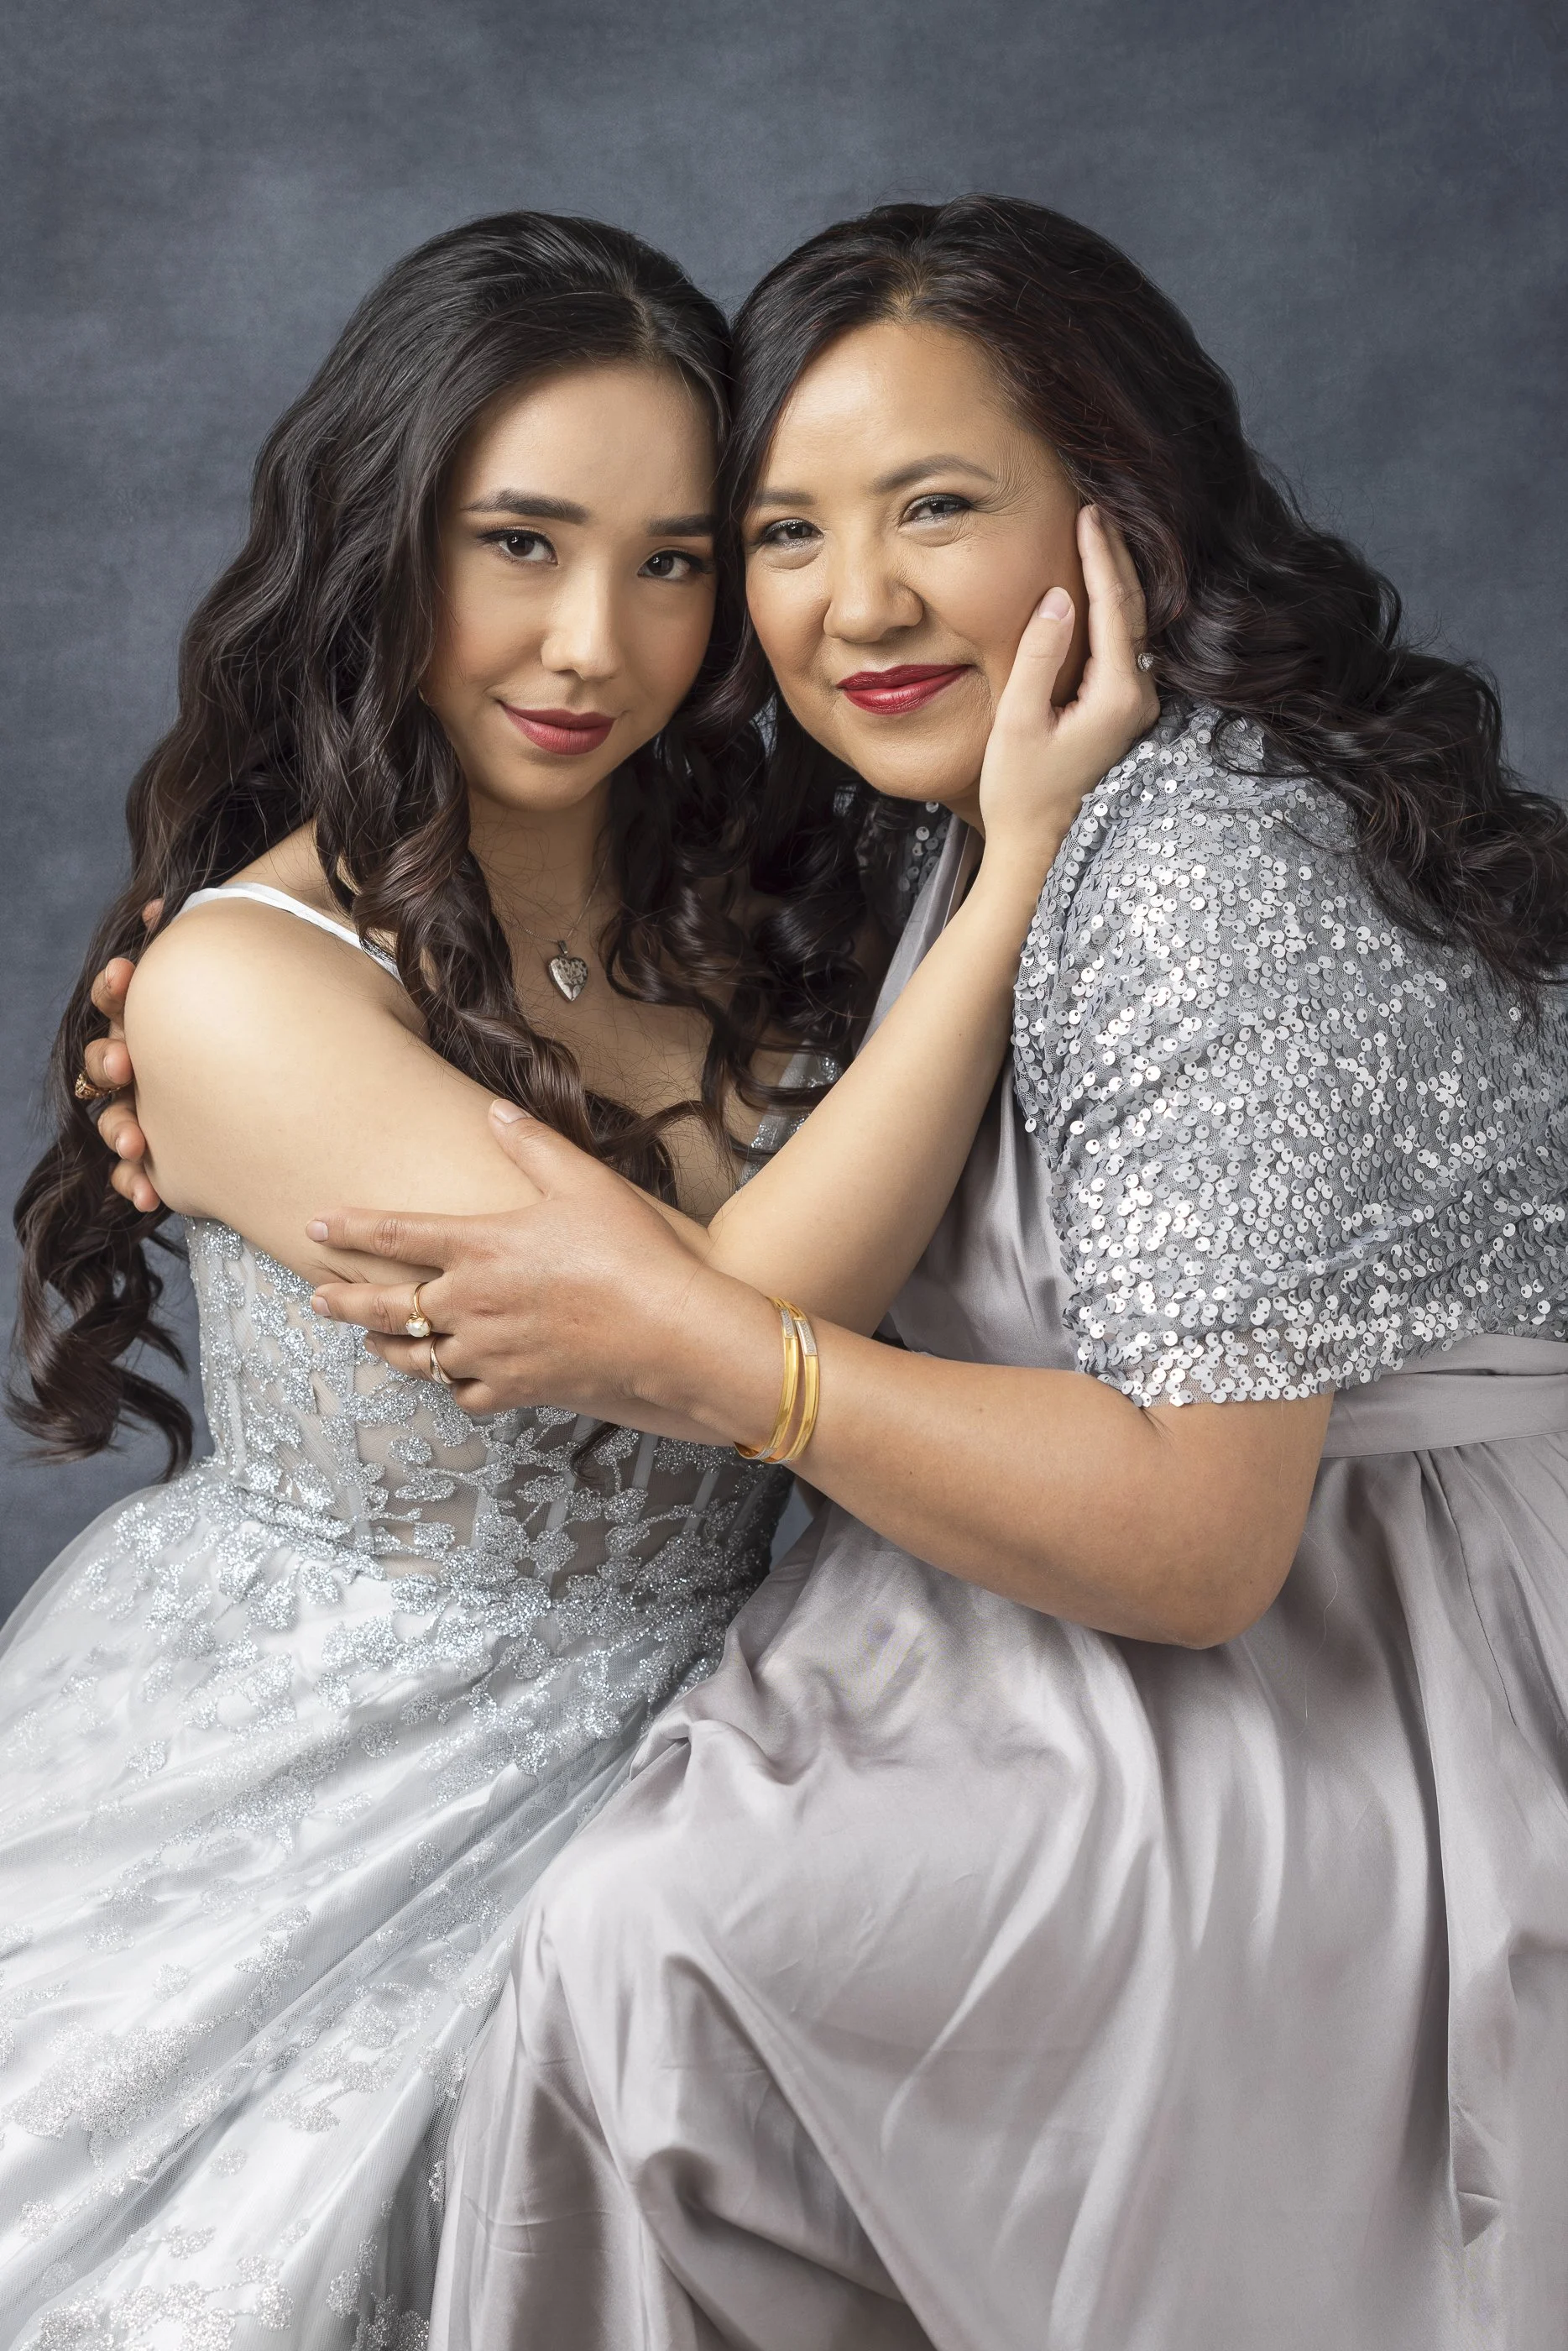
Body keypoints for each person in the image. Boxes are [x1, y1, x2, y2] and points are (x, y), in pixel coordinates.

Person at [292, 200, 1567, 2348]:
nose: (855, 600)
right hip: (1062, 1595)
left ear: (1120, 510)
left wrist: (733, 1363)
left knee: (655, 1931)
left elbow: (1197, 1541)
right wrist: (211, 1013)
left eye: (937, 507)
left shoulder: (1208, 862)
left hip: (1353, 1656)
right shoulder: (958, 803)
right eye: (782, 534)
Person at [2, 205, 1147, 2350]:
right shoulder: (243, 982)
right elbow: (697, 1338)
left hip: (743, 1750)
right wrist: (1018, 874)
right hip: (313, 1791)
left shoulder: (776, 891)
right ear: (384, 541)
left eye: (675, 560)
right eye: (516, 545)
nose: (593, 644)